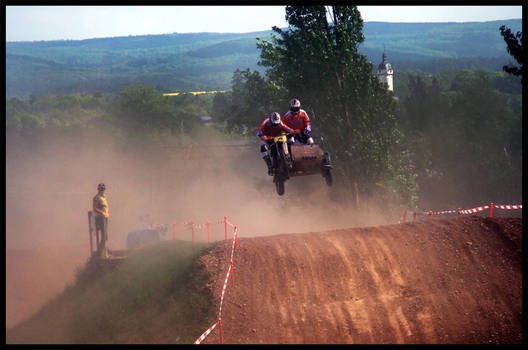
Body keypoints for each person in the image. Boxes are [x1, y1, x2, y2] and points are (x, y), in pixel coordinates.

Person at [93, 183, 109, 259]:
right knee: (104, 236)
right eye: (100, 189)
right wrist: (102, 212)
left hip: (105, 218)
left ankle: (104, 253)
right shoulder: (96, 198)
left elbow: (106, 208)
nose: (102, 190)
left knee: (105, 236)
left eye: (103, 189)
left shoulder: (104, 197)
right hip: (100, 218)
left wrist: (106, 214)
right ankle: (100, 253)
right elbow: (95, 208)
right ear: (98, 190)